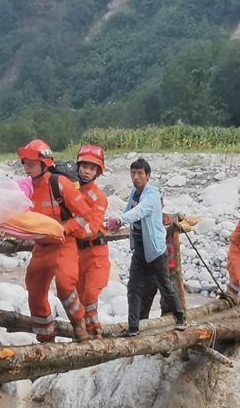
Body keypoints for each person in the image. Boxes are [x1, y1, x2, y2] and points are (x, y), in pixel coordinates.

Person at [19, 139, 96, 343]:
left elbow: (84, 213)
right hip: (41, 248)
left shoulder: (59, 184)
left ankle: (79, 327)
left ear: (45, 164)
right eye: (25, 162)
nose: (27, 166)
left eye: (32, 162)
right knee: (34, 289)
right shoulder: (25, 190)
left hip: (63, 244)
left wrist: (64, 228)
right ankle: (45, 337)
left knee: (65, 285)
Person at [106, 158, 186, 335]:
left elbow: (139, 211)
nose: (136, 177)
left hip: (155, 250)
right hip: (141, 249)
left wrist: (120, 220)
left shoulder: (152, 195)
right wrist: (113, 223)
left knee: (164, 284)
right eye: (133, 173)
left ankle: (181, 317)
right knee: (133, 287)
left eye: (140, 173)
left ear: (148, 176)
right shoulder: (135, 193)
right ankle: (133, 327)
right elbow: (128, 210)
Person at [74, 145, 110, 339]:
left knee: (90, 296)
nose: (86, 171)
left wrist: (68, 229)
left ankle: (95, 333)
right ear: (78, 166)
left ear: (98, 172)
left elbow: (93, 227)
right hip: (77, 254)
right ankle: (84, 334)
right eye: (84, 166)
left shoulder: (99, 197)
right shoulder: (71, 191)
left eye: (91, 168)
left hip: (96, 252)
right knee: (78, 298)